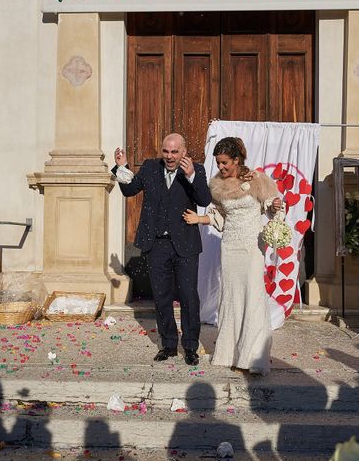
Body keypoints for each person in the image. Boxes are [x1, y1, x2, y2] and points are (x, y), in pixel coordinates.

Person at [183, 137, 282, 374]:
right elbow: (219, 217)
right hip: (229, 248)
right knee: (231, 298)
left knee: (253, 297)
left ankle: (253, 358)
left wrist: (276, 205)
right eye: (218, 163)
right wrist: (199, 219)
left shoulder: (256, 180)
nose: (221, 167)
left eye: (225, 163)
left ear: (237, 160)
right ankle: (230, 354)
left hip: (251, 248)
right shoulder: (217, 185)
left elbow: (271, 205)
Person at [112, 133, 212, 366]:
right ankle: (168, 345)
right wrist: (121, 167)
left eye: (174, 152)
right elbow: (129, 191)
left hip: (185, 244)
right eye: (166, 151)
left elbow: (204, 200)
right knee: (162, 296)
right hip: (156, 244)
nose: (169, 156)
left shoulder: (196, 170)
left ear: (183, 152)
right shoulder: (149, 167)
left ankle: (190, 346)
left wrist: (190, 176)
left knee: (189, 296)